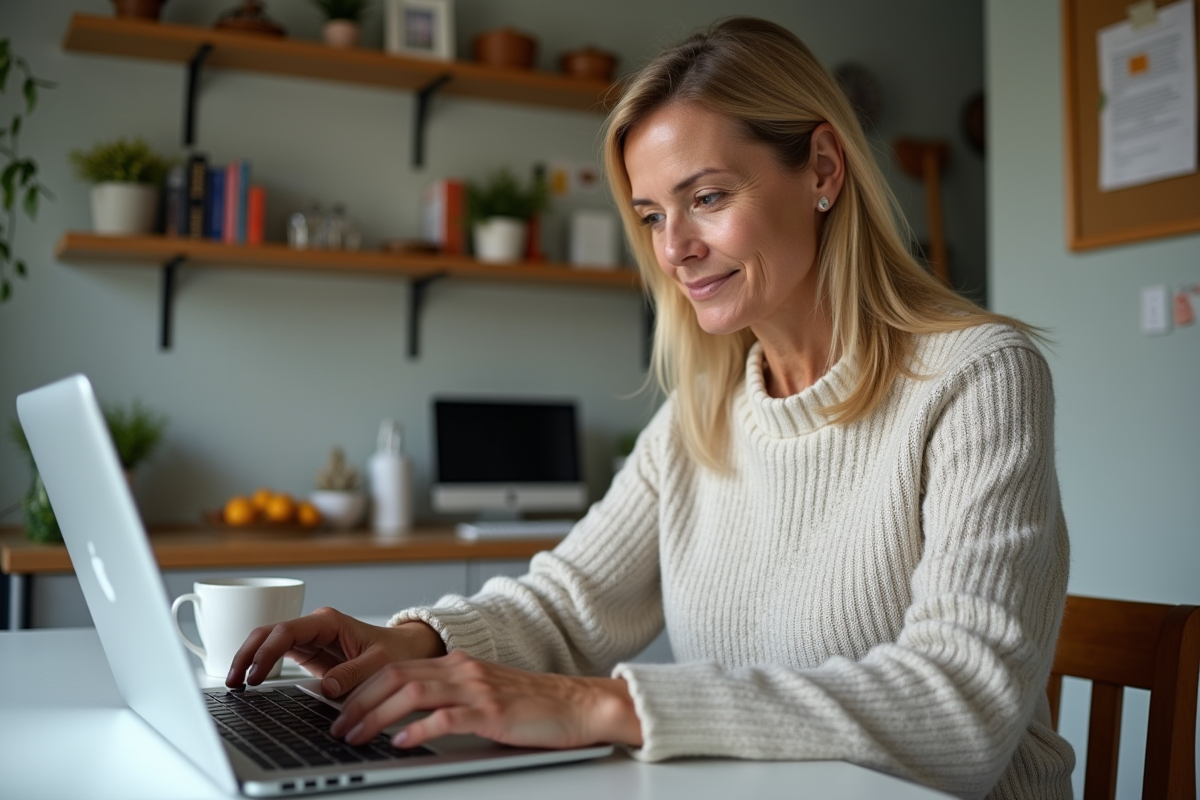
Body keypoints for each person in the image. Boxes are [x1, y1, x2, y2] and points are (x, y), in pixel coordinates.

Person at [229, 17, 1074, 799]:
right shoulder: (701, 414)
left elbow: (965, 706)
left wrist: (601, 705)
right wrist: (412, 641)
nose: (674, 249)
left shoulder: (975, 378)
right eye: (651, 215)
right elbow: (570, 603)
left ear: (822, 168)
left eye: (707, 198)